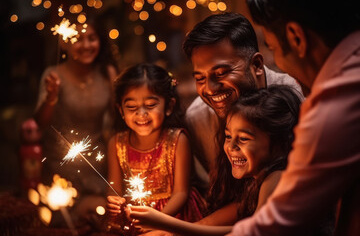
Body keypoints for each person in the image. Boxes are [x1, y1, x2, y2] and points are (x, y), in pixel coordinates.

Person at [229, 0, 360, 235]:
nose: (278, 63)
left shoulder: (338, 100)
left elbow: (276, 223)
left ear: (296, 38)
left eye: (273, 48)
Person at [127, 85, 305, 235]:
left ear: (280, 143)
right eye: (228, 136)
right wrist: (167, 230)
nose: (231, 147)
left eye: (243, 139)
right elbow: (227, 223)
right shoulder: (257, 182)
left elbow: (249, 232)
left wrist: (166, 224)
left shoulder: (277, 179)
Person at [182, 12, 303, 190]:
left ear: (256, 65)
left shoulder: (299, 99)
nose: (210, 88)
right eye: (200, 79)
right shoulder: (198, 119)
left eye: (221, 73)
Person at [34, 15, 119, 226]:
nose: (87, 45)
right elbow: (40, 124)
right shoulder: (54, 75)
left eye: (92, 38)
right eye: (79, 39)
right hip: (60, 165)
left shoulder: (107, 73)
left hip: (97, 164)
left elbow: (119, 118)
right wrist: (51, 98)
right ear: (64, 41)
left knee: (102, 219)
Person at [106, 63, 206, 233]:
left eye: (151, 105)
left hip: (174, 216)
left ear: (169, 106)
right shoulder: (116, 143)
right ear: (121, 110)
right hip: (136, 218)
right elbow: (114, 189)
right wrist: (114, 202)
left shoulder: (177, 140)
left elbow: (181, 193)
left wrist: (157, 221)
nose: (141, 113)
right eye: (131, 107)